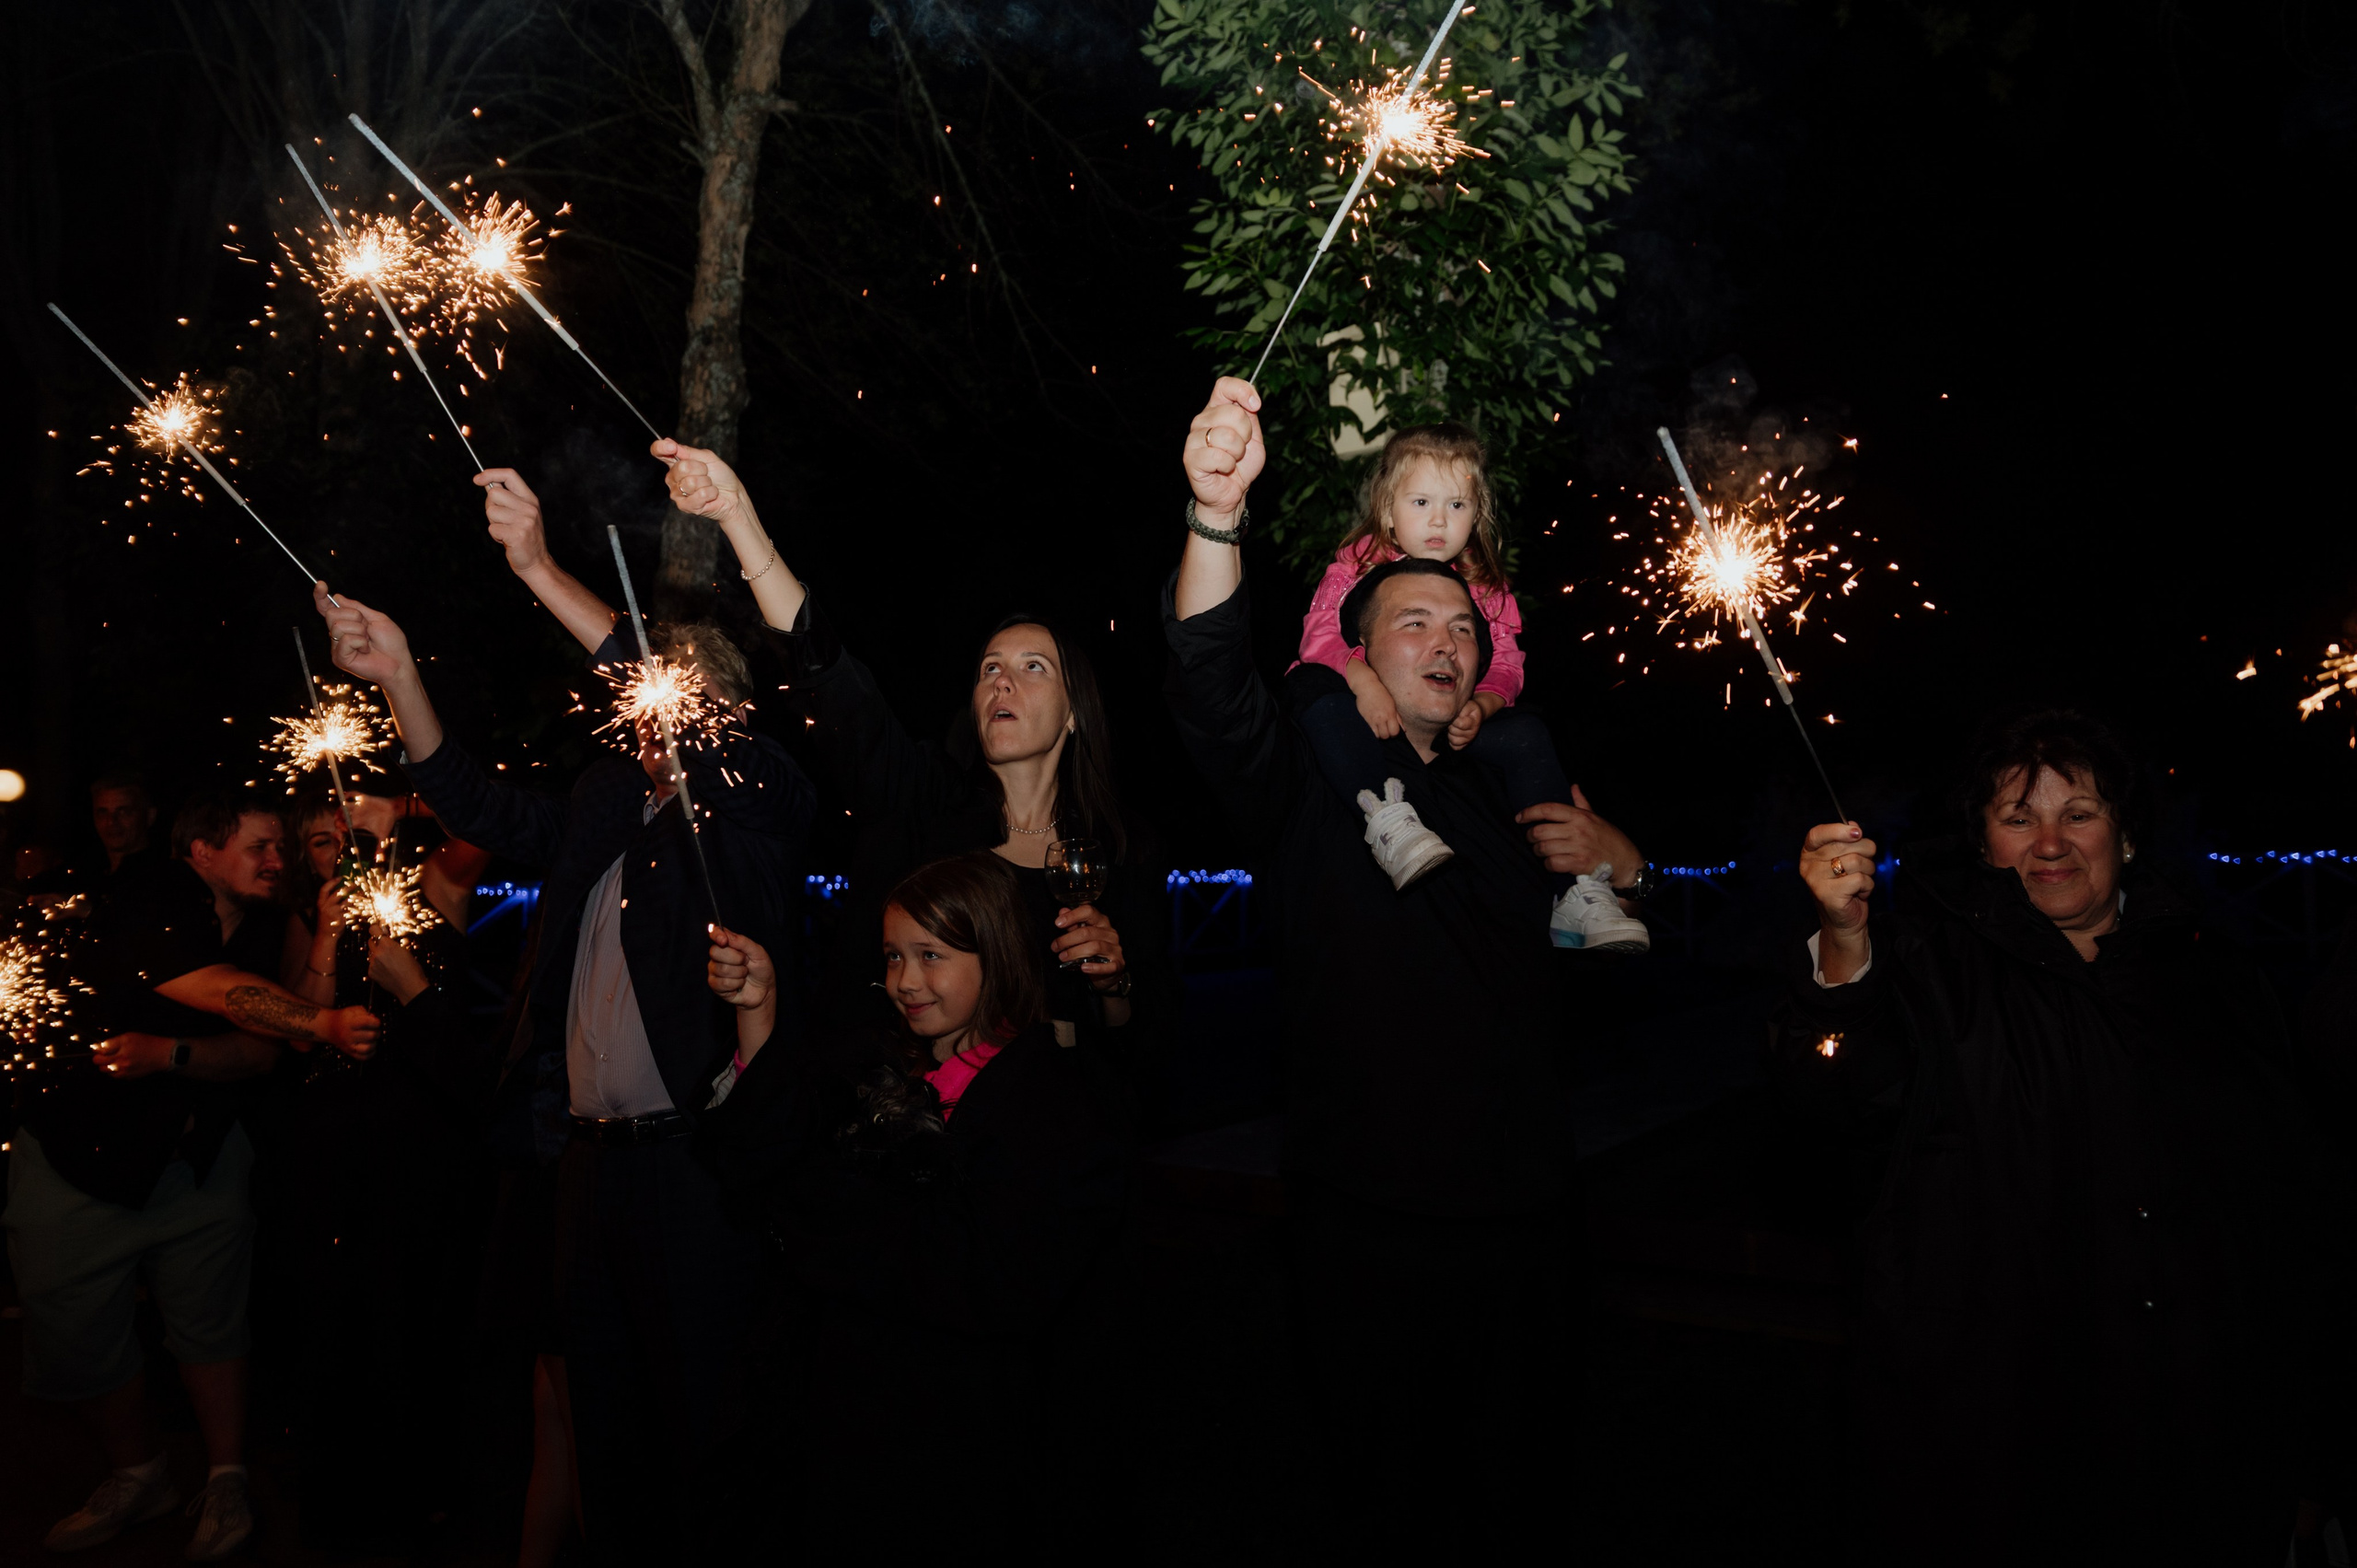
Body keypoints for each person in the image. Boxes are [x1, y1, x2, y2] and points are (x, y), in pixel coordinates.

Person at [1162, 377, 1655, 1551]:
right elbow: (1208, 681)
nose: (1444, 640)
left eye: (1461, 625)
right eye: (1411, 623)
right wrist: (1214, 516)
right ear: (1360, 654)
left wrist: (1624, 861)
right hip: (1364, 1221)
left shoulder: (1515, 798)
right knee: (1374, 1498)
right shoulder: (1306, 787)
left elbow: (1601, 966)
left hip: (1531, 1221)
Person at [316, 524, 814, 1564]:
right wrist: (400, 671)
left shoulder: (754, 802)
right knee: (601, 1421)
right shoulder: (603, 799)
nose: (639, 713)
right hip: (581, 1163)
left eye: (663, 694)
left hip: (692, 1166)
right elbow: (477, 800)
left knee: (706, 1426)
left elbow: (720, 744)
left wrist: (539, 568)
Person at [1784, 709, 2356, 1562]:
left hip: (2203, 1443)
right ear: (1983, 845)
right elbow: (1831, 1114)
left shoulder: (2219, 981)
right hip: (1997, 1454)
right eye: (2018, 819)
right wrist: (1842, 943)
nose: (2050, 842)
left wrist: (2313, 1454)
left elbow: (2294, 1216)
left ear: (2124, 834)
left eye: (2078, 813)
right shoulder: (1927, 968)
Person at [617, 443, 1166, 1090]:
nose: (1002, 683)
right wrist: (739, 517)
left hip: (1051, 1147)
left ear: (1075, 712)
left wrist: (1114, 981)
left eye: (1032, 668)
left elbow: (1144, 1045)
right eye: (990, 669)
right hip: (909, 1134)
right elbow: (838, 689)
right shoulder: (925, 804)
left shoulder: (1120, 849)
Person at [698, 853, 1132, 1552]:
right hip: (848, 1433)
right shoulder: (878, 1068)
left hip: (970, 1450)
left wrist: (832, 1211)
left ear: (995, 953)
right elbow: (753, 1164)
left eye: (931, 955)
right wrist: (758, 1019)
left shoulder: (1052, 1098)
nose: (904, 981)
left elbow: (988, 1281)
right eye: (894, 956)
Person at [7, 787, 381, 1561]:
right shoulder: (148, 892)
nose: (278, 862)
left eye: (283, 848)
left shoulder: (272, 918)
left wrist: (321, 949)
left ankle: (226, 1477)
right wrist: (323, 1022)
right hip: (84, 1157)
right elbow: (217, 991)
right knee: (76, 1332)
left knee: (212, 1325)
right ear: (202, 851)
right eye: (259, 848)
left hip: (201, 1156)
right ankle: (138, 1472)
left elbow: (270, 1044)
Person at [1288, 423, 1646, 950]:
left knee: (1526, 731)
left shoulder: (1486, 588)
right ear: (1388, 509)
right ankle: (1385, 819)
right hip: (1349, 711)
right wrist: (1360, 677)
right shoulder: (1354, 567)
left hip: (1450, 726)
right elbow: (1315, 640)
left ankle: (1574, 891)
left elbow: (1508, 665)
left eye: (1457, 506)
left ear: (1476, 516)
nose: (1438, 519)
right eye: (1421, 501)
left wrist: (1485, 700)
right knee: (1313, 690)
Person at [272, 782, 496, 1550]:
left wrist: (398, 808)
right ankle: (349, 1496)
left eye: (349, 830)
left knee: (429, 1313)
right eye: (322, 841)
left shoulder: (433, 886)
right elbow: (302, 1032)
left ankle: (433, 1490)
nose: (343, 847)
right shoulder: (307, 918)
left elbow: (483, 819)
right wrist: (330, 937)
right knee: (345, 1317)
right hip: (337, 1149)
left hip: (430, 1143)